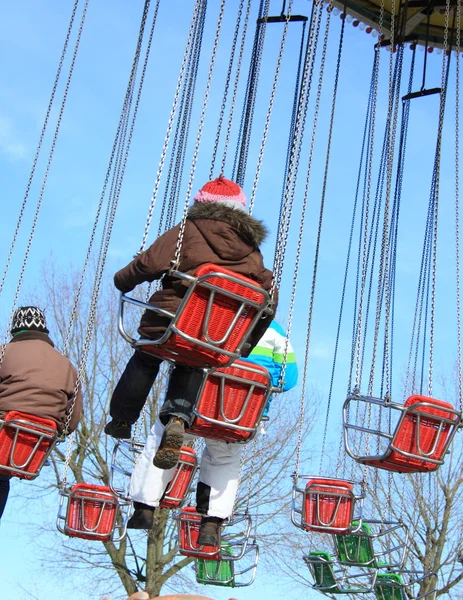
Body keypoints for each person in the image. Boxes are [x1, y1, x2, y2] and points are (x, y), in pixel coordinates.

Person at [105, 176, 275, 471]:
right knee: (194, 361)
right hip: (217, 334)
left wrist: (123, 279)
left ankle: (122, 418)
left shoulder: (188, 230)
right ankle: (177, 420)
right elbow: (267, 302)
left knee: (147, 357)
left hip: (171, 320)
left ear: (201, 204)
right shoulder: (254, 254)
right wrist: (245, 343)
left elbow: (149, 263)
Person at [126, 321, 297, 547]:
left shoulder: (215, 315)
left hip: (199, 402)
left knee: (163, 437)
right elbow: (290, 378)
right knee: (224, 458)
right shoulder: (275, 332)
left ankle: (145, 507)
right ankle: (211, 523)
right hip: (241, 412)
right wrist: (259, 377)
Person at [0, 306, 82, 519]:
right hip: (35, 443)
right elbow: (72, 421)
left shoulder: (4, 353)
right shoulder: (68, 367)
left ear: (15, 331)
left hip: (4, 430)